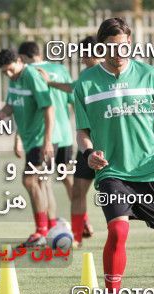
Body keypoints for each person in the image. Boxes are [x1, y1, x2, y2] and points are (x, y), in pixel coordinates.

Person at [74, 17, 154, 294]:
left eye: (124, 45)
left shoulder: (150, 75)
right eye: (112, 46)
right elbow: (83, 131)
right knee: (117, 229)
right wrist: (88, 153)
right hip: (112, 172)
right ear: (102, 47)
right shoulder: (85, 84)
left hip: (150, 171)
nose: (119, 52)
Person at [38, 36, 101, 247]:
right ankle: (77, 236)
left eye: (84, 54)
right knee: (77, 191)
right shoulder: (85, 75)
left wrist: (49, 82)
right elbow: (73, 89)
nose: (82, 58)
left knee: (116, 196)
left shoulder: (108, 75)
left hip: (109, 143)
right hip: (87, 144)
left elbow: (71, 89)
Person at [0, 49, 57, 247]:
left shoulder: (31, 76)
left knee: (30, 180)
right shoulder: (14, 80)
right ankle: (51, 228)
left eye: (10, 70)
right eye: (4, 72)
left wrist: (47, 141)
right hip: (30, 141)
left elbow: (48, 107)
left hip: (40, 140)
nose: (9, 75)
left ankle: (42, 231)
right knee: (40, 184)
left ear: (20, 61)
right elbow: (12, 105)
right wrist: (2, 113)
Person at [18, 41, 74, 206]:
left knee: (42, 182)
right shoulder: (61, 69)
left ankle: (49, 226)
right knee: (67, 178)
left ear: (21, 57)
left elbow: (26, 107)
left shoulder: (28, 73)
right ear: (39, 53)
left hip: (45, 136)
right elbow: (72, 100)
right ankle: (83, 221)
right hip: (65, 133)